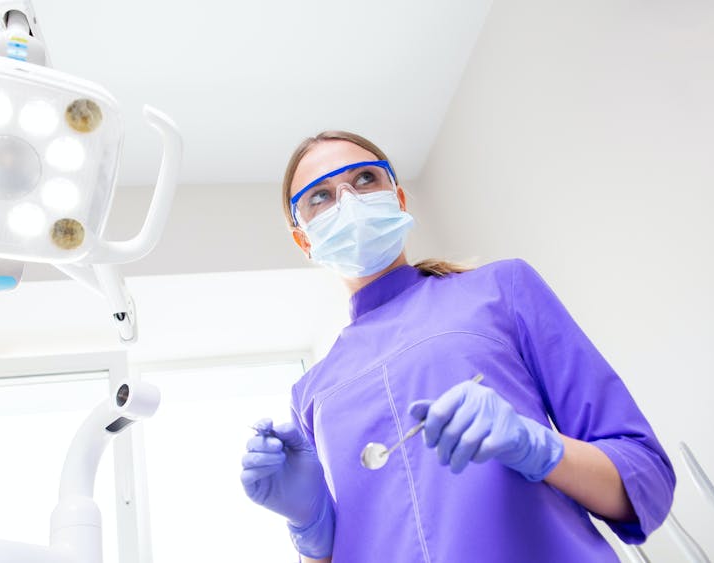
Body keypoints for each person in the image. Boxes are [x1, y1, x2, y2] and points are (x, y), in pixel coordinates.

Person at [239, 131, 675, 562]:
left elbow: (645, 480)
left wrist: (539, 447)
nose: (349, 202)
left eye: (366, 179)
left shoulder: (501, 290)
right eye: (321, 196)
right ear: (304, 240)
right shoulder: (311, 391)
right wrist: (310, 530)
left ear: (398, 197)